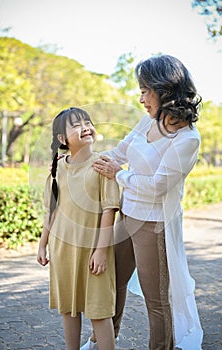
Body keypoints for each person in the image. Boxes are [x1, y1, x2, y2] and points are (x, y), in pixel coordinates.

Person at [81, 55, 203, 349]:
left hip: (154, 224)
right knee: (113, 282)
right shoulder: (147, 121)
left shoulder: (188, 139)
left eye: (146, 90)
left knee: (157, 300)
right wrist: (81, 158)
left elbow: (158, 186)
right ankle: (104, 339)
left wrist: (119, 176)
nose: (141, 98)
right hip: (126, 215)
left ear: (166, 89)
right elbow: (120, 153)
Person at [37, 107, 120, 350]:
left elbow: (110, 210)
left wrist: (101, 251)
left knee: (99, 312)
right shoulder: (57, 169)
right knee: (69, 309)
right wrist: (42, 244)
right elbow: (51, 211)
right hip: (63, 250)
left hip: (94, 251)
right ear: (62, 139)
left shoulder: (103, 165)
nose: (84, 127)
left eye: (87, 121)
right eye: (75, 125)